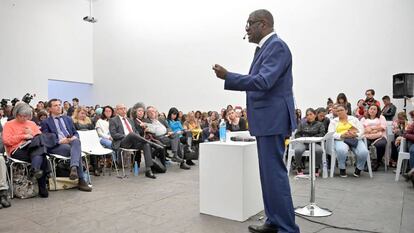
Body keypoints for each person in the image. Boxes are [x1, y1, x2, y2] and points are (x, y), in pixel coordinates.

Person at [213, 9, 299, 233]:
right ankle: (274, 221)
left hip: (273, 120)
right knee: (268, 177)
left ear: (263, 24)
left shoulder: (277, 46)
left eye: (249, 24)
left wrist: (229, 76)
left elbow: (263, 81)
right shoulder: (265, 49)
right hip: (267, 120)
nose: (247, 29)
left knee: (275, 176)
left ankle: (287, 229)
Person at [40, 99, 92, 191]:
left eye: (59, 105)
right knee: (76, 151)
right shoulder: (46, 122)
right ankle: (81, 179)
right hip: (57, 146)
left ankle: (73, 168)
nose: (59, 107)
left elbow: (75, 133)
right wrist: (60, 141)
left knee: (77, 142)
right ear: (50, 109)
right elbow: (46, 139)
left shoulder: (67, 119)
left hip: (71, 143)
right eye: (55, 105)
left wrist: (73, 137)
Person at [3, 102, 52, 197]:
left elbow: (40, 138)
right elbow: (6, 140)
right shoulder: (9, 125)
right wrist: (23, 136)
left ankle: (35, 169)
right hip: (17, 150)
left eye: (27, 116)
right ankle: (42, 185)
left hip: (32, 148)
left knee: (40, 151)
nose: (25, 118)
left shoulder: (31, 123)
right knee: (42, 156)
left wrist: (32, 133)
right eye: (22, 116)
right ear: (16, 114)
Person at [109, 104, 157, 179]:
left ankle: (148, 170)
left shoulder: (129, 120)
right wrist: (127, 136)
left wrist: (135, 136)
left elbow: (136, 132)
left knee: (145, 145)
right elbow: (114, 134)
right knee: (131, 134)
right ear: (117, 110)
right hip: (123, 142)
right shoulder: (113, 120)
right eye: (121, 109)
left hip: (133, 141)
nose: (124, 110)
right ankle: (152, 143)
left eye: (125, 108)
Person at [328, 104, 369, 178]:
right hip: (341, 139)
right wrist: (342, 135)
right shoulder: (333, 121)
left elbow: (361, 130)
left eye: (341, 110)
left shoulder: (354, 119)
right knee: (341, 150)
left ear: (346, 110)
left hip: (354, 138)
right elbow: (331, 133)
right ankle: (342, 168)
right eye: (338, 111)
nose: (340, 112)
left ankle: (359, 168)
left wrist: (355, 135)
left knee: (364, 152)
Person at [293, 108, 325, 176]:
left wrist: (313, 138)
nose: (309, 116)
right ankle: (298, 167)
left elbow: (322, 134)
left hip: (314, 143)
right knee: (298, 150)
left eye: (311, 114)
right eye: (307, 115)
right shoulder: (302, 124)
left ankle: (316, 168)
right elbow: (297, 134)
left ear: (315, 115)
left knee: (319, 150)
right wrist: (302, 139)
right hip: (303, 143)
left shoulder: (320, 124)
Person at [360, 105, 387, 171]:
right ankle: (366, 161)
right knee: (363, 144)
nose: (372, 110)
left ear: (377, 111)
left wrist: (371, 128)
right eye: (371, 109)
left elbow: (383, 127)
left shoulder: (381, 117)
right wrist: (373, 129)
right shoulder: (363, 119)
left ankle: (377, 161)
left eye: (374, 109)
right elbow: (361, 129)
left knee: (381, 144)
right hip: (367, 136)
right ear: (368, 110)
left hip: (380, 136)